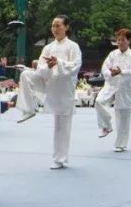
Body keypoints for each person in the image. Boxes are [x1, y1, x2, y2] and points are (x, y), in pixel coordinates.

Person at [16, 15, 83, 169]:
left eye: (58, 25)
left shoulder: (73, 46)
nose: (55, 28)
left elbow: (75, 66)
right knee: (26, 74)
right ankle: (29, 108)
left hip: (64, 88)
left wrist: (58, 63)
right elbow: (41, 68)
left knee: (62, 125)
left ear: (66, 27)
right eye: (53, 25)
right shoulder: (48, 47)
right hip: (49, 82)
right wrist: (46, 66)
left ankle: (60, 158)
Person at [95, 29, 131, 152]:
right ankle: (106, 126)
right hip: (111, 84)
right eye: (118, 40)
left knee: (123, 115)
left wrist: (122, 72)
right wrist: (110, 72)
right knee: (99, 101)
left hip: (125, 87)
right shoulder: (112, 54)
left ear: (129, 40)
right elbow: (104, 68)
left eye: (123, 40)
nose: (120, 42)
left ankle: (121, 144)